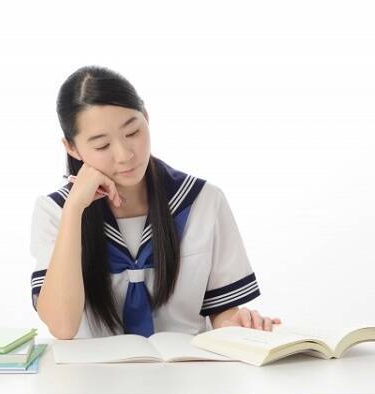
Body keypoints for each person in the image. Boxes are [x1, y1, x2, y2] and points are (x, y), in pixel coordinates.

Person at [30, 65, 282, 340]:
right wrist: (74, 209)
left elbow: (222, 310)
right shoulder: (55, 212)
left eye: (132, 132)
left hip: (188, 366)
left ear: (146, 118)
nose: (125, 155)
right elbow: (62, 327)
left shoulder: (202, 201)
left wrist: (236, 324)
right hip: (92, 368)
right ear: (72, 148)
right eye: (102, 145)